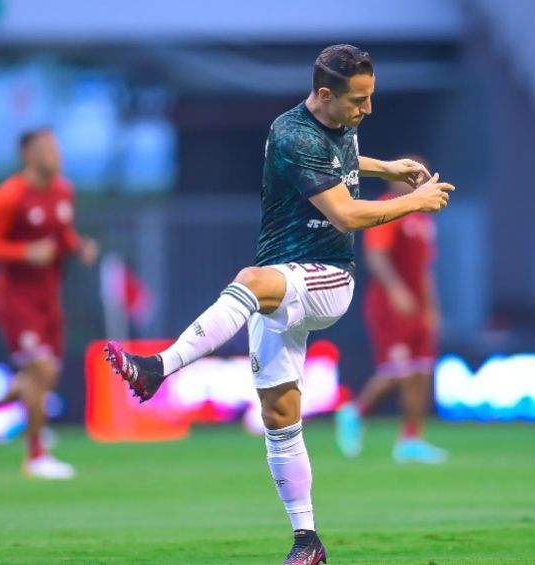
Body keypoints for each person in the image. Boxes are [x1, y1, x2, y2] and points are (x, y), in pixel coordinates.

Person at [102, 45, 455, 565]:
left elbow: (343, 174)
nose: (368, 110)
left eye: (371, 98)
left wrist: (387, 170)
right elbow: (348, 214)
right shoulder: (291, 133)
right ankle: (307, 540)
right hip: (284, 281)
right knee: (280, 414)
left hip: (329, 278)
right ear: (325, 94)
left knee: (251, 281)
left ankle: (158, 367)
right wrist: (415, 201)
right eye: (360, 100)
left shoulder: (339, 119)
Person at [0, 129, 99, 480]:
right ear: (29, 155)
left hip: (49, 297)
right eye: (48, 148)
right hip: (16, 296)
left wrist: (78, 245)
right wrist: (24, 252)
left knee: (36, 382)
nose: (55, 154)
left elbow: (61, 232)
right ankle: (35, 455)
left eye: (56, 147)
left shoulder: (64, 190)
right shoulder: (10, 196)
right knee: (42, 371)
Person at [335, 155, 447, 464]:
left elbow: (425, 269)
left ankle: (411, 438)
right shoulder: (387, 209)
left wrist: (432, 306)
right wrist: (396, 289)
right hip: (389, 303)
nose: (417, 181)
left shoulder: (423, 218)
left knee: (422, 370)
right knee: (399, 372)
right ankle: (355, 412)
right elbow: (377, 255)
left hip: (417, 304)